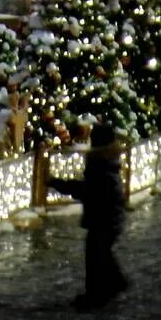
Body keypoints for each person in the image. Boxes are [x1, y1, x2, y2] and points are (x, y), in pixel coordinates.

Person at [46, 123, 128, 310]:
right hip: (108, 216)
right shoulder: (106, 160)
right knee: (101, 254)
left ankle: (97, 294)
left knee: (96, 256)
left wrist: (59, 184)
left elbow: (88, 190)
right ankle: (110, 285)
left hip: (102, 217)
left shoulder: (99, 163)